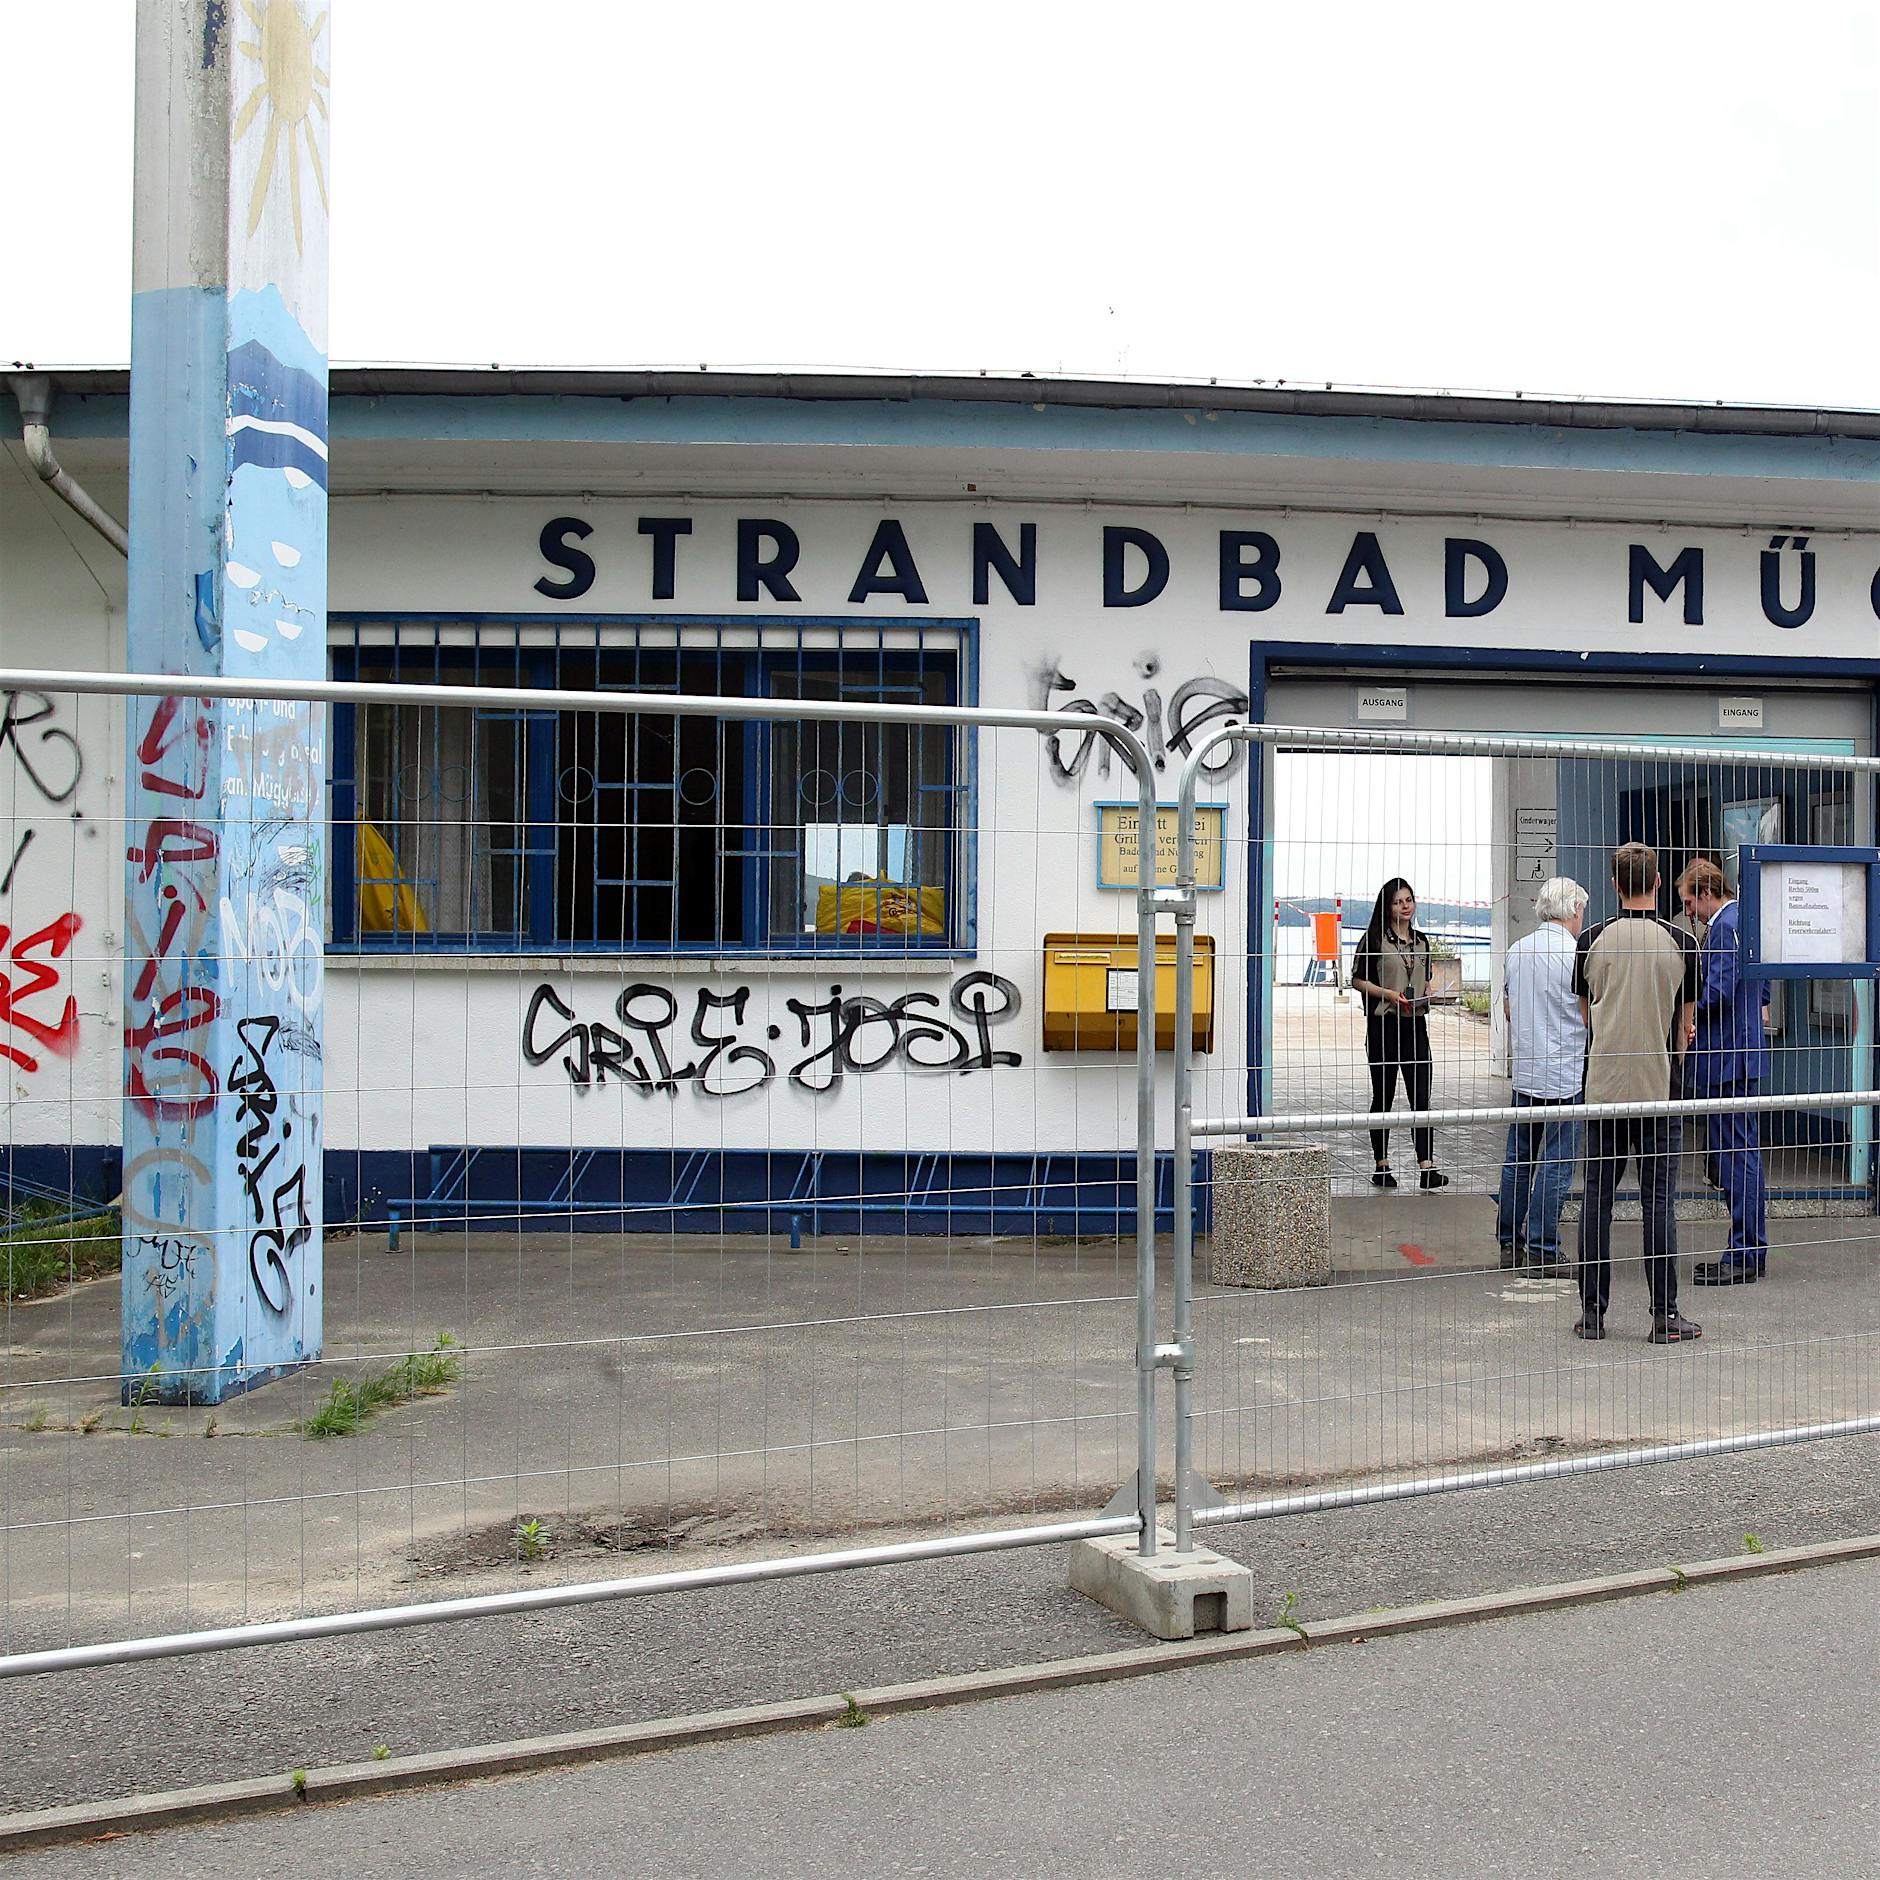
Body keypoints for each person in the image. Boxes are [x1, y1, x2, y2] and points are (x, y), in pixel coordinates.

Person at [1572, 841, 1702, 1343]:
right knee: (1659, 1203)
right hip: (1658, 1087)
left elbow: (1586, 1013)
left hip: (1604, 1087)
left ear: (1614, 884)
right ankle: (1664, 1315)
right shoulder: (1683, 943)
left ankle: (1592, 1314)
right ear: (1656, 880)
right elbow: (1685, 1026)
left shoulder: (1591, 939)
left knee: (1597, 1199)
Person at [1677, 857, 1769, 1284]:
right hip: (1743, 1051)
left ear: (1707, 893)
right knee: (1742, 1153)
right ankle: (1748, 1247)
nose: (1689, 912)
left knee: (1736, 1157)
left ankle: (1744, 1252)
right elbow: (1762, 985)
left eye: (1690, 902)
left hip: (1726, 1057)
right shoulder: (1744, 921)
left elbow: (1718, 988)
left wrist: (1689, 1015)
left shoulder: (1723, 928)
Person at [1495, 877, 1589, 1275]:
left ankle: (1509, 1240)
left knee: (1518, 1159)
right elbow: (1589, 1012)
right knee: (1556, 1162)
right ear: (1572, 911)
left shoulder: (1517, 950)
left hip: (1527, 1073)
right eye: (1581, 911)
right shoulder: (1576, 954)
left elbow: (1509, 1008)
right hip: (1565, 1073)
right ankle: (1543, 1248)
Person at [1350, 878, 1448, 1191]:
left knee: (1421, 1095)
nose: (1405, 906)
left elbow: (1425, 975)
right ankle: (1382, 1165)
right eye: (1398, 901)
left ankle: (1427, 1166)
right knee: (1384, 1095)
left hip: (1415, 1024)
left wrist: (1428, 989)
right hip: (1384, 1025)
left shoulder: (1422, 941)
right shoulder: (1375, 940)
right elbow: (1357, 980)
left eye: (1409, 900)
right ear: (1387, 905)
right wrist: (1388, 994)